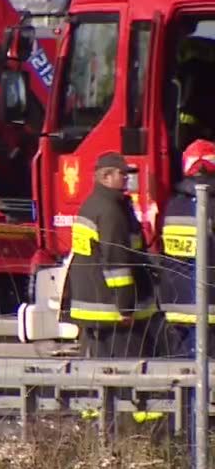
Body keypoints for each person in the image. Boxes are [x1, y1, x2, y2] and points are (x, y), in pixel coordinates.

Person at [66, 151, 163, 357]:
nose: (128, 178)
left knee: (105, 375)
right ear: (105, 177)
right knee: (127, 375)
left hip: (96, 305)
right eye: (123, 174)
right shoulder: (111, 211)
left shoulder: (93, 204)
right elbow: (116, 261)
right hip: (114, 312)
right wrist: (126, 307)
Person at [158, 139, 215, 357]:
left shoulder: (174, 204)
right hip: (209, 308)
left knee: (184, 375)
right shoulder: (211, 204)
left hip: (177, 306)